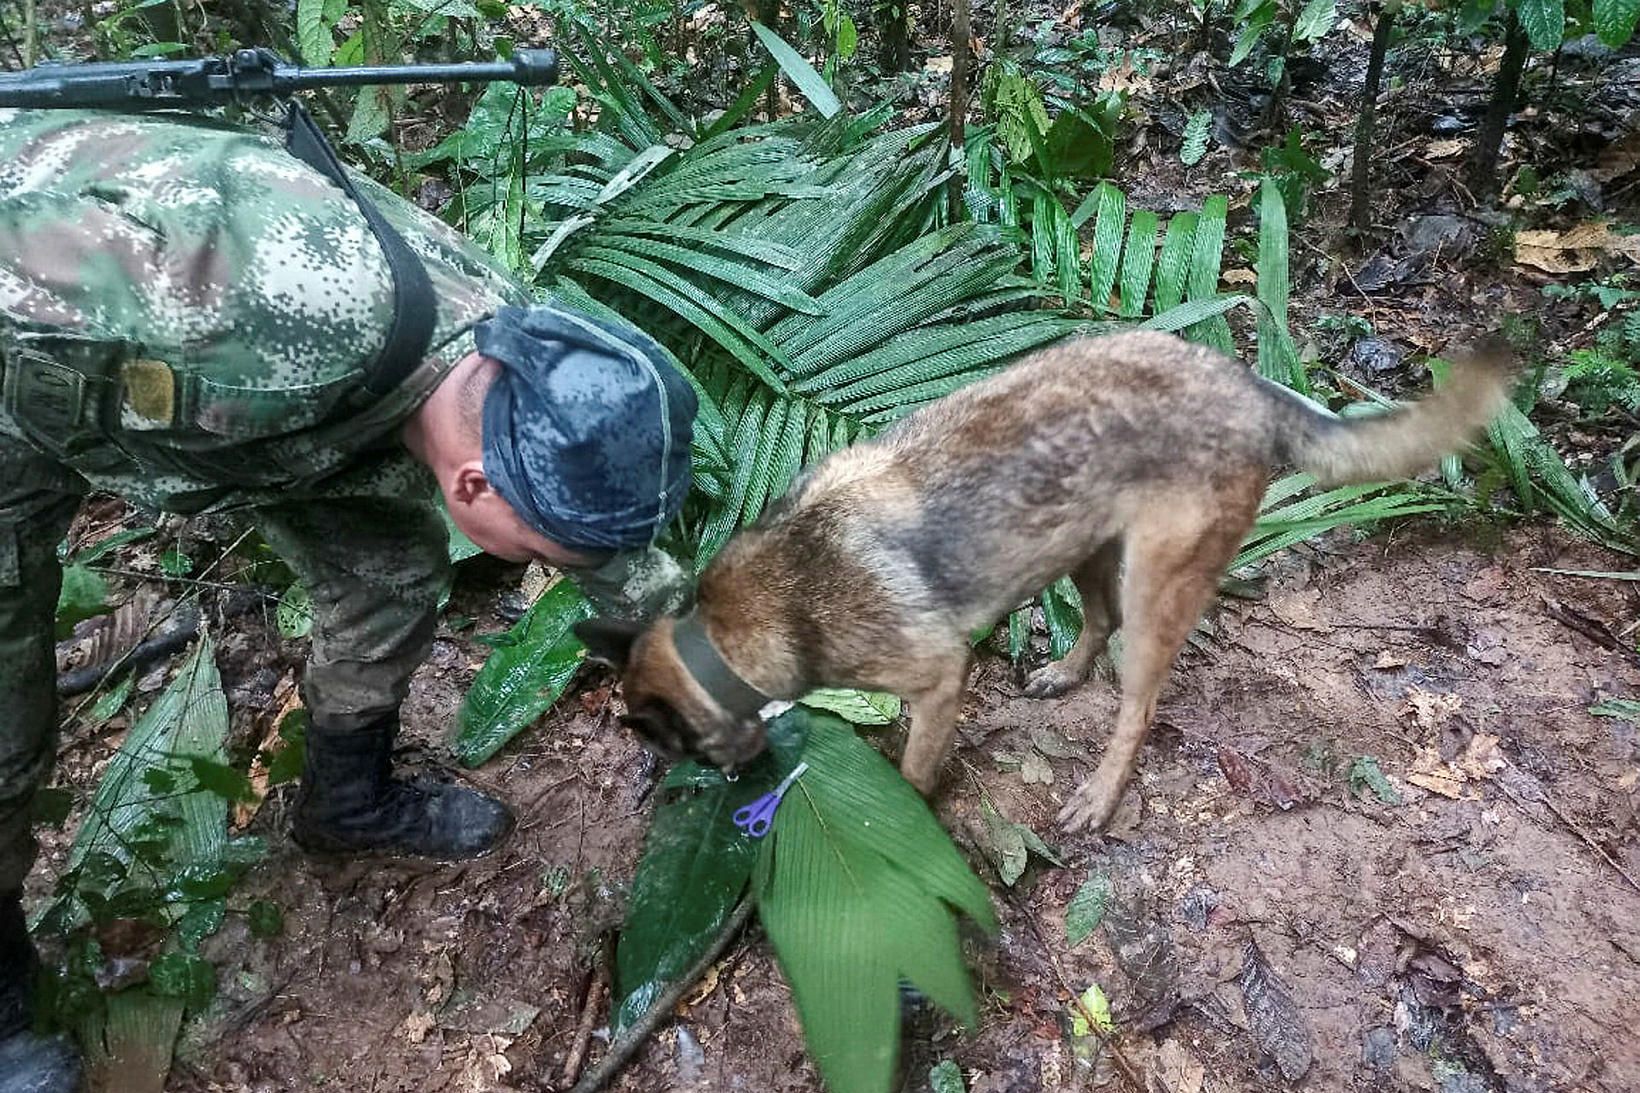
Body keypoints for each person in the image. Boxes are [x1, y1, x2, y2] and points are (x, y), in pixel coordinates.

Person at [0, 106, 697, 1091]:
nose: (551, 569)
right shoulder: (251, 306)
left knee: (389, 572)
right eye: (540, 554)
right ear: (474, 489)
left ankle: (347, 798)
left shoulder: (520, 364)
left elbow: (608, 553)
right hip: (28, 366)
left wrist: (715, 675)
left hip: (258, 423)